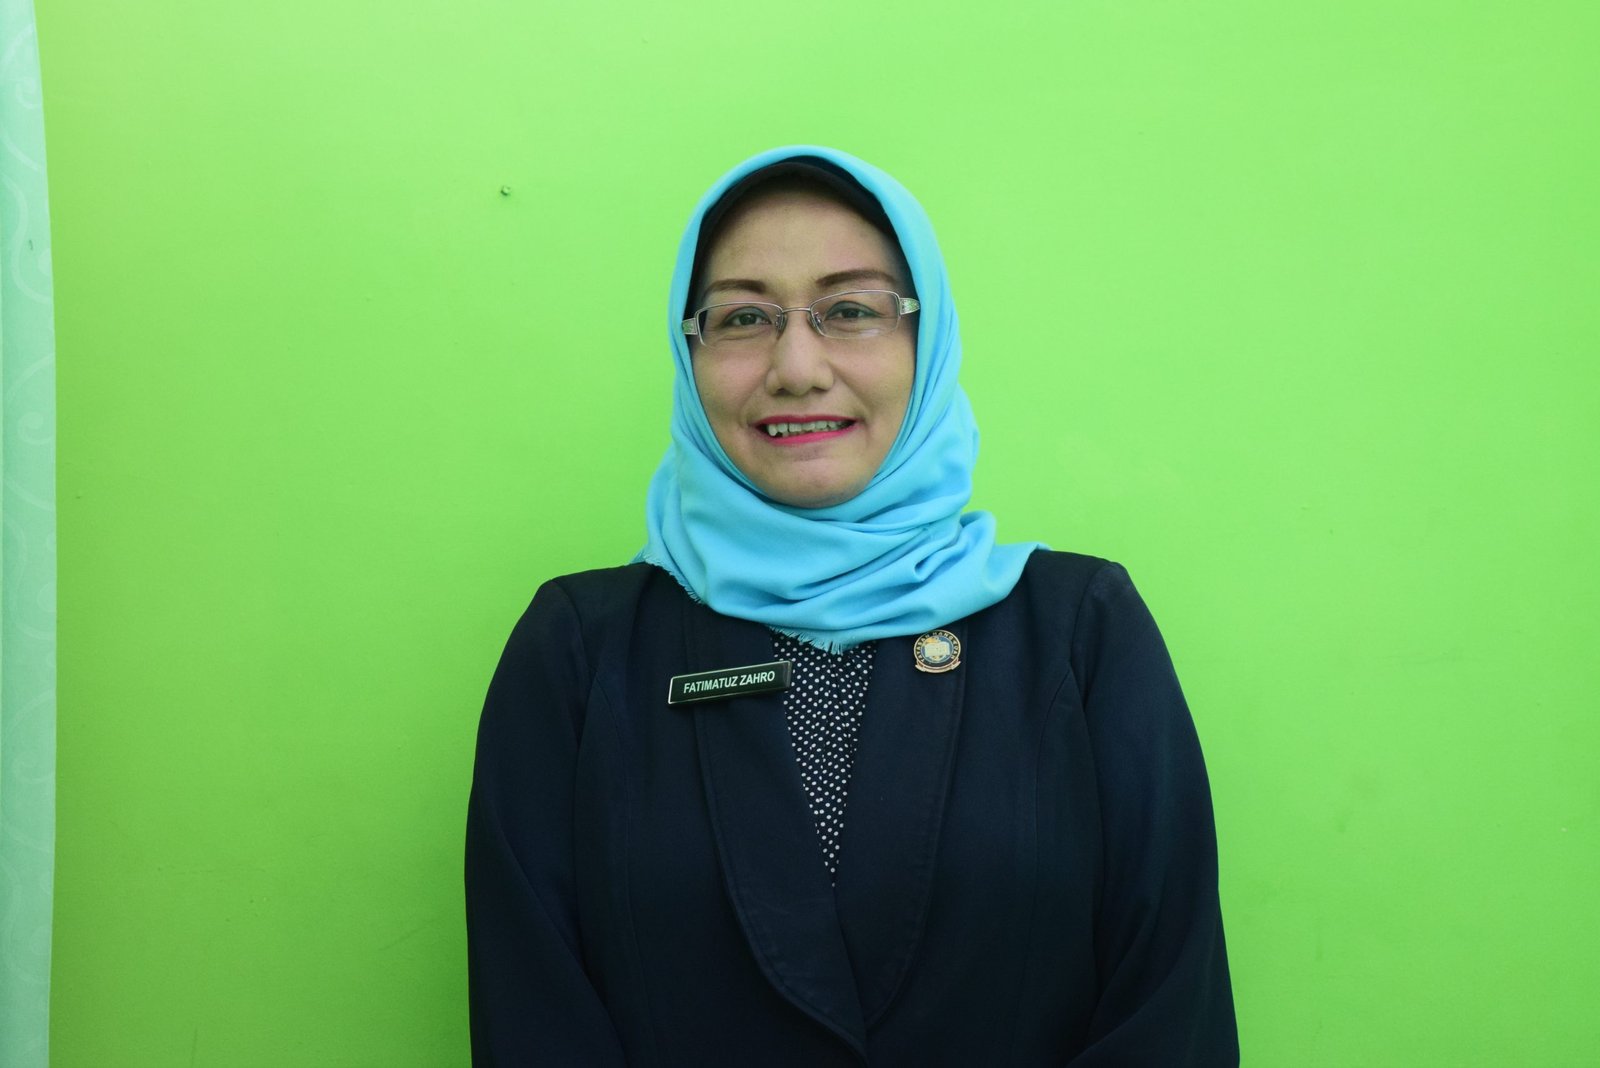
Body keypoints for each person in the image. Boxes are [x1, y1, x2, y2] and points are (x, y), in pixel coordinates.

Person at [465, 145, 1238, 1066]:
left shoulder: (1079, 631)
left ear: (927, 340)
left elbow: (1169, 1007)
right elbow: (533, 1017)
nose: (796, 366)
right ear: (688, 353)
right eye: (742, 317)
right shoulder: (581, 652)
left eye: (852, 311)